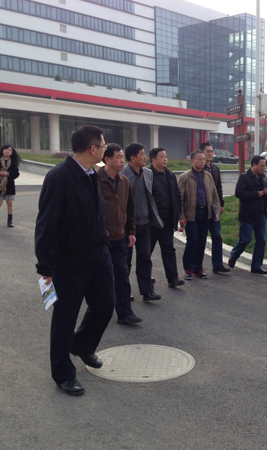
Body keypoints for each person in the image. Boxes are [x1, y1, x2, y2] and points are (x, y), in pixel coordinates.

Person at [35, 125, 115, 396]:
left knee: (105, 304)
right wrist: (46, 267)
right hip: (69, 262)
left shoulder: (92, 173)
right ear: (93, 149)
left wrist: (104, 242)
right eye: (104, 146)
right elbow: (46, 225)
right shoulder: (59, 177)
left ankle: (82, 345)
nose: (105, 150)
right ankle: (63, 373)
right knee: (64, 319)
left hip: (98, 256)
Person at [98, 144, 142, 326]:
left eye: (123, 157)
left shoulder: (124, 181)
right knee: (102, 279)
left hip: (121, 238)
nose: (122, 160)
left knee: (122, 276)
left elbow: (130, 209)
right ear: (107, 159)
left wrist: (131, 232)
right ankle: (99, 312)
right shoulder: (95, 180)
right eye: (119, 157)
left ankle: (124, 313)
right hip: (101, 240)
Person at [121, 143, 162, 302]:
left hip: (145, 224)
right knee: (125, 261)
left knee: (145, 258)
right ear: (132, 158)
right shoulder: (123, 175)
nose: (145, 157)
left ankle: (147, 291)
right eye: (142, 154)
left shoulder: (148, 173)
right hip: (127, 226)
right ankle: (124, 292)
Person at [178, 150, 220, 280]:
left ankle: (198, 268)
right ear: (192, 160)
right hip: (191, 214)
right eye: (199, 159)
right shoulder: (185, 177)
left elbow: (214, 195)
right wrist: (181, 216)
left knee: (202, 241)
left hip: (205, 213)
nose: (202, 162)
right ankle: (188, 268)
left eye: (203, 159)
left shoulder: (208, 176)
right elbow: (179, 199)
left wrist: (217, 211)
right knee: (192, 240)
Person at [148, 147, 185, 288]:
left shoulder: (170, 175)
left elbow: (177, 195)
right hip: (152, 221)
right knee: (147, 251)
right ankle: (146, 277)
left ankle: (173, 278)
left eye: (166, 157)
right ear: (153, 160)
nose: (165, 159)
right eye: (162, 157)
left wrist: (179, 215)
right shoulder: (147, 174)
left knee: (169, 249)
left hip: (167, 220)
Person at [228, 155, 267, 274]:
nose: (263, 168)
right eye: (261, 166)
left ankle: (257, 266)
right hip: (247, 214)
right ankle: (234, 255)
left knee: (261, 241)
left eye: (264, 166)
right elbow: (238, 193)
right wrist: (255, 194)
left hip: (261, 213)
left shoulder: (263, 177)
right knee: (245, 239)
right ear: (254, 165)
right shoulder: (245, 177)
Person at [201, 142, 230, 274]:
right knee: (200, 238)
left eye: (211, 151)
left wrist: (221, 204)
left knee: (217, 236)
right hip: (201, 208)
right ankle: (197, 266)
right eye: (207, 151)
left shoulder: (215, 169)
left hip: (214, 208)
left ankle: (218, 264)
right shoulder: (198, 169)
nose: (210, 154)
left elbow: (219, 188)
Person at [0, 145, 21, 227]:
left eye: (9, 150)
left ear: (12, 153)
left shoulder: (13, 162)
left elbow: (16, 173)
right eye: (5, 149)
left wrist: (8, 174)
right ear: (2, 150)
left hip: (9, 184)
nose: (7, 151)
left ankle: (10, 220)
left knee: (10, 202)